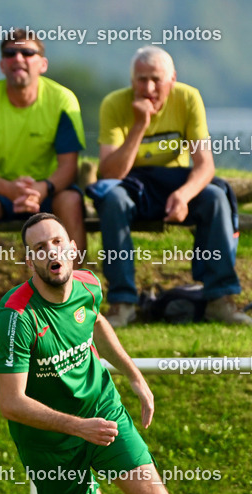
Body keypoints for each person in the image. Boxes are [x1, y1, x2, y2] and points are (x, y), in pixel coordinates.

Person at [0, 212, 237, 494]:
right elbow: (11, 403)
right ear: (29, 261)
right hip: (49, 440)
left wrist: (136, 378)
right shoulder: (16, 316)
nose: (51, 252)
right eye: (39, 248)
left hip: (102, 413)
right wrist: (76, 427)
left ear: (72, 247)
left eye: (56, 242)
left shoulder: (89, 285)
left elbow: (97, 322)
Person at [94, 46, 249, 327]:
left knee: (215, 197)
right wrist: (141, 124)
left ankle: (220, 300)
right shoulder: (114, 104)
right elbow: (109, 173)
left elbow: (205, 165)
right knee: (112, 200)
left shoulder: (189, 98)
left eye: (156, 79)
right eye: (141, 79)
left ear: (173, 79)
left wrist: (183, 196)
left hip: (175, 180)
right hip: (132, 184)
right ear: (132, 81)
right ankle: (122, 303)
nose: (149, 87)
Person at [0, 29, 86, 328]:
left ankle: (73, 291)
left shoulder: (63, 99)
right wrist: (10, 189)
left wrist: (43, 188)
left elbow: (69, 165)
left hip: (49, 187)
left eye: (27, 53)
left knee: (71, 199)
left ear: (42, 63)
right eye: (10, 54)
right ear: (2, 65)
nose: (18, 59)